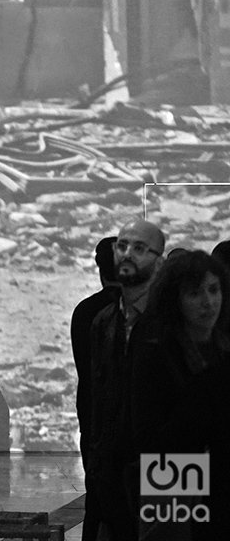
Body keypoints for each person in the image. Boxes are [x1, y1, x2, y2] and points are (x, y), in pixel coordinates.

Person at [130, 249, 230, 541]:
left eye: (214, 290)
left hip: (219, 475)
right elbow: (147, 433)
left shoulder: (222, 345)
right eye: (195, 293)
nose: (208, 302)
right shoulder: (156, 349)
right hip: (174, 471)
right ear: (177, 299)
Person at [88, 219, 166, 541]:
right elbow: (100, 394)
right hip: (115, 464)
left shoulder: (172, 318)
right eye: (122, 246)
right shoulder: (105, 321)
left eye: (139, 248)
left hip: (168, 461)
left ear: (159, 260)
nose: (127, 254)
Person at [71, 236, 119, 541]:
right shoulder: (143, 312)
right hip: (121, 421)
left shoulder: (85, 310)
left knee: (98, 502)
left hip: (93, 414)